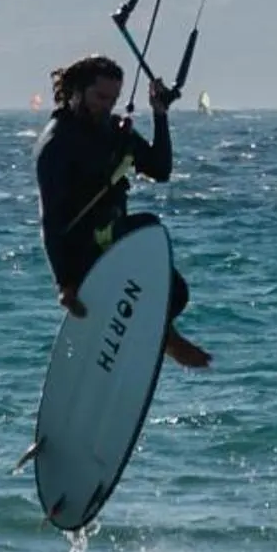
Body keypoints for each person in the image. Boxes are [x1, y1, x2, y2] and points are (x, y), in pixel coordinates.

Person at [34, 52, 210, 369]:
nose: (106, 105)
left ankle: (154, 336)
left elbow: (160, 169)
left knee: (178, 293)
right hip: (84, 250)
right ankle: (163, 338)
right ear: (75, 91)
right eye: (100, 97)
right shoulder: (57, 143)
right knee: (148, 226)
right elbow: (51, 219)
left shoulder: (113, 131)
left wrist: (159, 114)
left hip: (112, 238)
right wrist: (65, 283)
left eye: (113, 98)